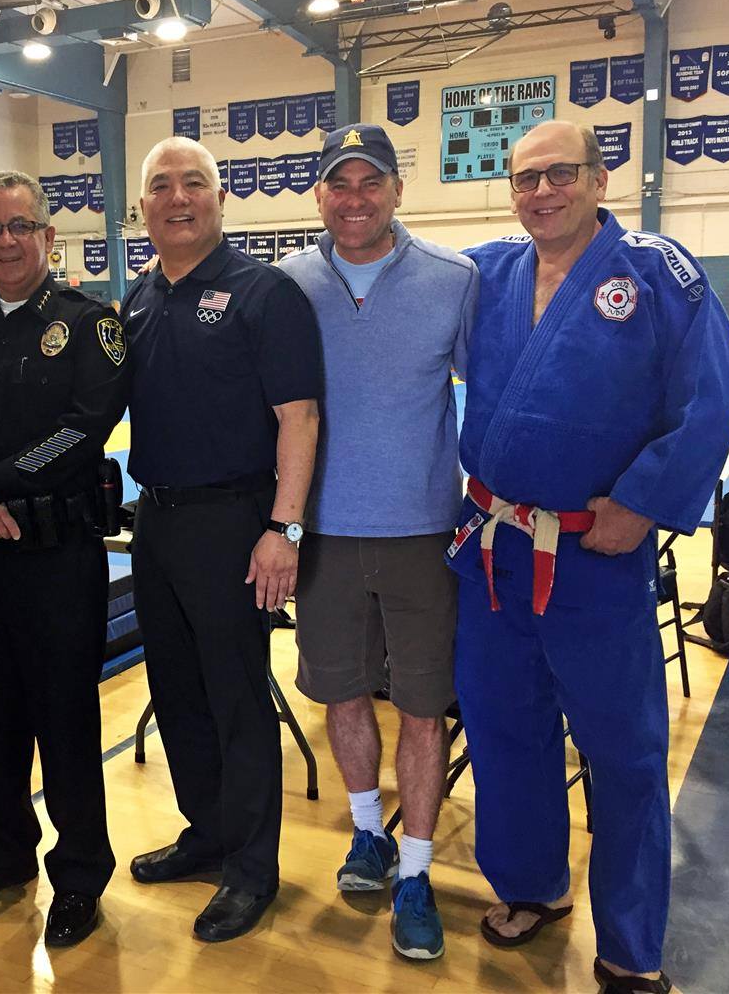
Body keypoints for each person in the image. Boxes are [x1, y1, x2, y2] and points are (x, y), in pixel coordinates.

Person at [448, 121, 729, 994]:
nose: (542, 192)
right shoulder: (486, 273)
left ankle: (630, 942)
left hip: (594, 557)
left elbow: (711, 396)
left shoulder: (658, 273)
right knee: (505, 731)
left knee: (624, 753)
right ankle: (532, 885)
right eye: (525, 178)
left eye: (560, 174)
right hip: (495, 550)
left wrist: (645, 500)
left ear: (601, 179)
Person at [278, 123, 478, 961]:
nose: (354, 199)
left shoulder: (455, 279)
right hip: (322, 534)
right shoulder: (287, 283)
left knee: (424, 712)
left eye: (371, 182)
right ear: (319, 194)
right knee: (343, 695)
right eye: (339, 183)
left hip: (423, 534)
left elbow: (494, 395)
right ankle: (367, 834)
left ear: (398, 189)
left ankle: (417, 873)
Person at [121, 137, 322, 942]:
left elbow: (299, 418)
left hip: (236, 523)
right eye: (161, 185)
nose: (178, 197)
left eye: (194, 183)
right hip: (156, 520)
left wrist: (284, 528)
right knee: (177, 691)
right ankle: (205, 832)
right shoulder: (136, 299)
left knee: (237, 697)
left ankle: (251, 866)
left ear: (220, 197)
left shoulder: (265, 293)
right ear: (142, 207)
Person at [0, 171, 129, 947]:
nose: (5, 241)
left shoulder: (87, 323)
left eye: (19, 227)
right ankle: (5, 851)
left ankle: (79, 873)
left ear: (47, 235)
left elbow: (86, 425)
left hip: (58, 557)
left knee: (64, 717)